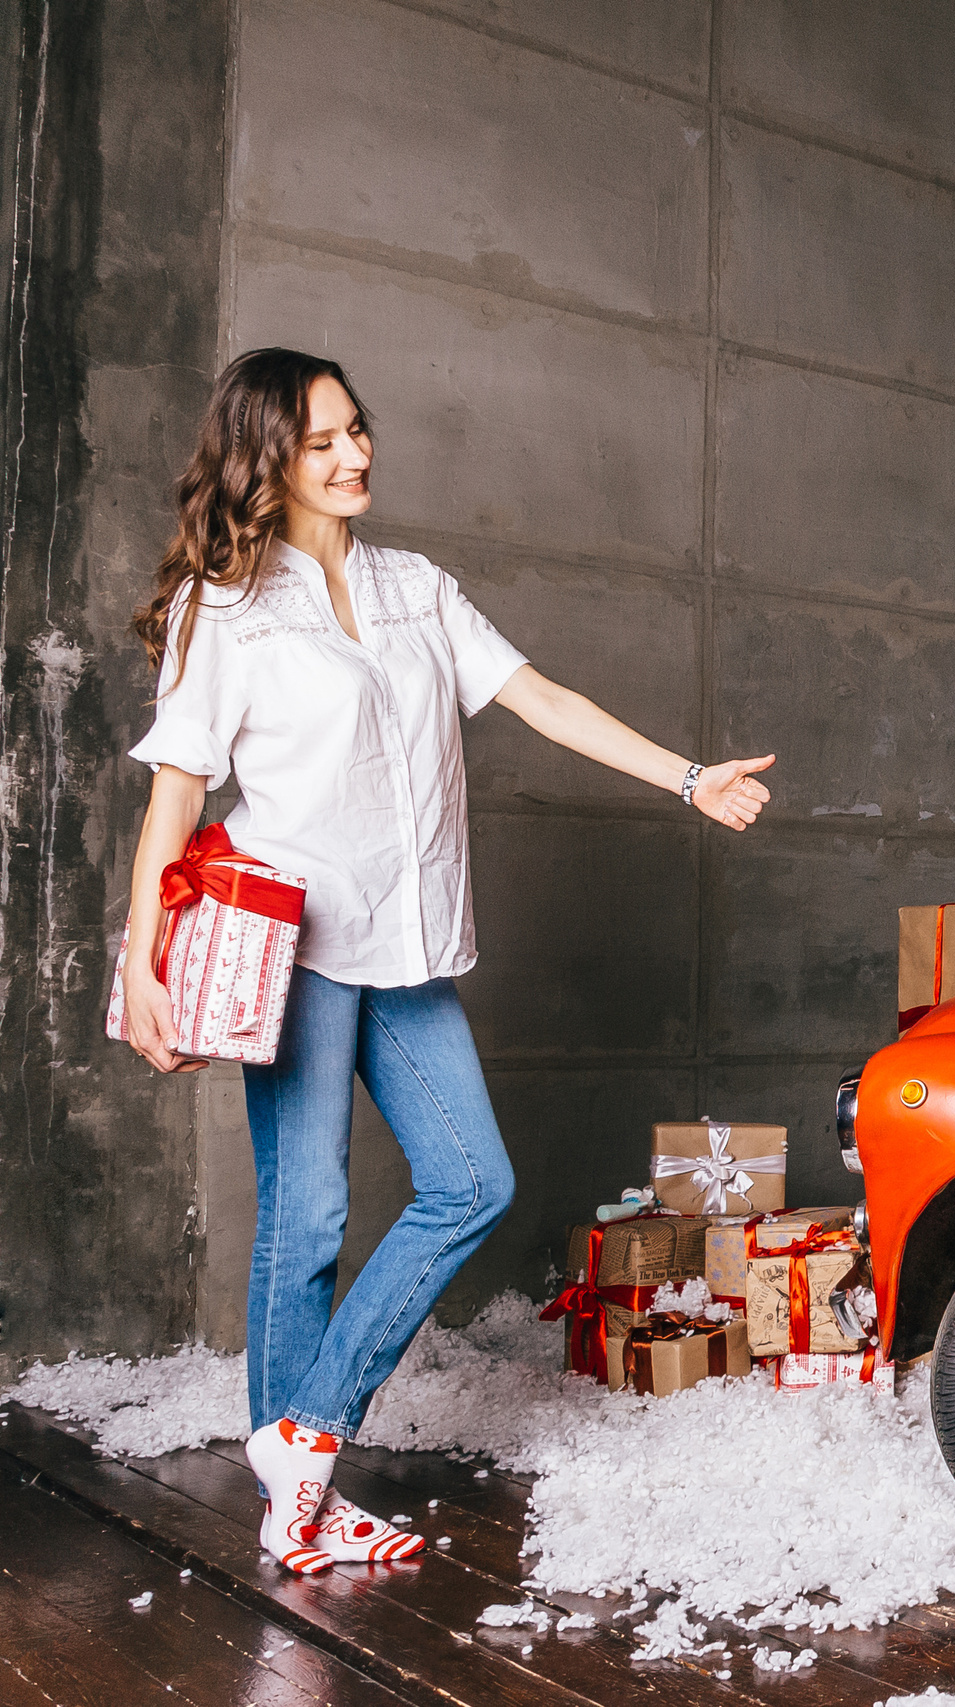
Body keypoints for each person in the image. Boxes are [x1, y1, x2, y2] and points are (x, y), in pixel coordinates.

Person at [120, 348, 776, 1576]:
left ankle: (301, 1436)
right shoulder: (228, 608)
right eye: (321, 442)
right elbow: (179, 789)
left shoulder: (417, 588)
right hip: (297, 947)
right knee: (307, 1215)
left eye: (357, 429)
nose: (353, 454)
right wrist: (141, 960)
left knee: (471, 1182)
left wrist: (689, 778)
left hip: (410, 944)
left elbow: (544, 700)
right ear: (269, 460)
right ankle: (297, 1505)